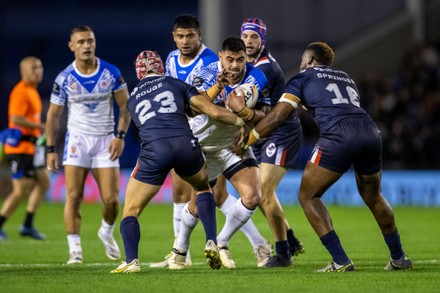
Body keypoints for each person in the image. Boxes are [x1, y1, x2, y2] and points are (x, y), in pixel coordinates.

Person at [227, 41, 412, 272]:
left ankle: (341, 261)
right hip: (370, 131)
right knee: (374, 196)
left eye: (303, 60)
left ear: (311, 60)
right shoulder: (345, 77)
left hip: (338, 135)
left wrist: (249, 137)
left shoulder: (302, 77)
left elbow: (278, 117)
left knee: (308, 196)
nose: (301, 64)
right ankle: (399, 257)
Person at [151, 15, 272, 269]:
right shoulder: (205, 74)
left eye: (240, 60)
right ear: (220, 57)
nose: (235, 66)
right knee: (196, 203)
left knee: (253, 195)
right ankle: (179, 250)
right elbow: (194, 109)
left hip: (231, 146)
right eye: (229, 60)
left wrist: (247, 121)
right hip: (201, 144)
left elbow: (264, 113)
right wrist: (219, 91)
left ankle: (222, 242)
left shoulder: (258, 77)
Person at [110, 50, 246, 273]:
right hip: (186, 144)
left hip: (155, 149)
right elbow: (212, 111)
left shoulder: (132, 99)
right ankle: (211, 240)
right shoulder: (175, 83)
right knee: (203, 188)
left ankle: (131, 261)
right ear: (161, 67)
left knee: (131, 209)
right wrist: (243, 123)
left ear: (139, 72)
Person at [45, 25, 131, 265]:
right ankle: (75, 250)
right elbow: (53, 116)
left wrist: (120, 136)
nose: (86, 46)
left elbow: (126, 108)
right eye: (81, 42)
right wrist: (51, 149)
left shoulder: (110, 72)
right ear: (71, 46)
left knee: (112, 200)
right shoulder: (64, 78)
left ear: (95, 43)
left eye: (90, 41)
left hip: (106, 140)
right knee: (73, 196)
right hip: (77, 141)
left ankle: (106, 230)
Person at [150, 14, 218, 268]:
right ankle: (181, 255)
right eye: (180, 36)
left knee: (208, 194)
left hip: (207, 132)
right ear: (174, 37)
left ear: (199, 34)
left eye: (190, 35)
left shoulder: (210, 61)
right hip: (183, 129)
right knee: (180, 191)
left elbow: (200, 100)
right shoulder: (170, 58)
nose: (185, 40)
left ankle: (238, 244)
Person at [239, 17, 305, 267]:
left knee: (263, 193)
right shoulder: (246, 63)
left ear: (262, 40)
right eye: (245, 36)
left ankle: (283, 254)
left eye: (254, 37)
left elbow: (242, 104)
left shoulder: (265, 68)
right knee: (261, 194)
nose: (248, 41)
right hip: (261, 133)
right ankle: (290, 239)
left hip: (281, 132)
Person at [0, 57, 49, 241]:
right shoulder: (21, 91)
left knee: (44, 181)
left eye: (40, 67)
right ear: (24, 71)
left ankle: (27, 225)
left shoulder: (32, 91)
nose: (38, 71)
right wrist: (41, 127)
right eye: (34, 68)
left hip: (32, 148)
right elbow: (16, 118)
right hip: (20, 148)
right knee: (20, 190)